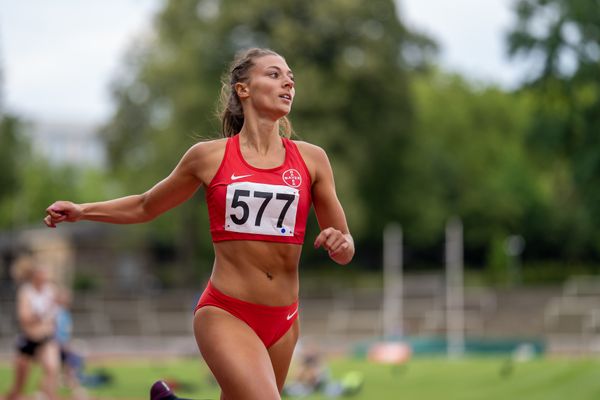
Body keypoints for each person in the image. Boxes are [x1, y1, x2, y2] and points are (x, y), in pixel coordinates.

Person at [44, 47, 354, 400]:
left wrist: (342, 244)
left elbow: (344, 249)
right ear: (243, 89)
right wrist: (83, 210)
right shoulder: (209, 157)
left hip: (284, 321)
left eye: (291, 78)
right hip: (226, 313)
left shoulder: (313, 160)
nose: (288, 83)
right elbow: (146, 206)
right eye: (274, 74)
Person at [5, 256, 60, 400]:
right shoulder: (26, 292)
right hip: (28, 339)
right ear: (35, 276)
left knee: (52, 368)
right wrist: (40, 316)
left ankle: (47, 395)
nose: (46, 277)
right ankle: (12, 395)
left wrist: (48, 323)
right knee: (20, 383)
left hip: (46, 338)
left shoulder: (51, 290)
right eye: (43, 274)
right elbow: (24, 318)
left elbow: (53, 316)